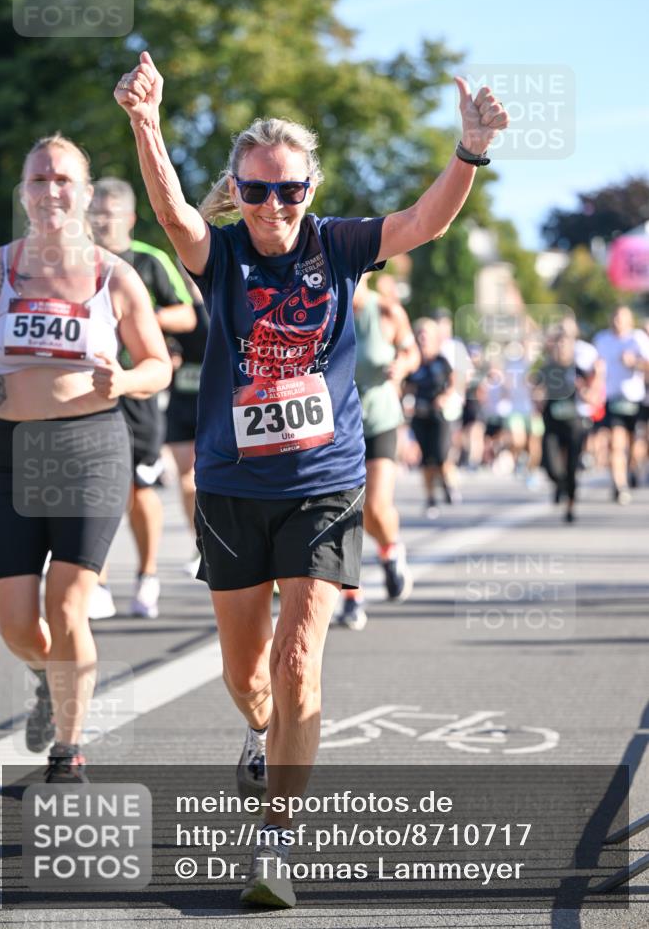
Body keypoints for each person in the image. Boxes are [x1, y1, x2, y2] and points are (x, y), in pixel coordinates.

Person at [114, 50, 507, 908]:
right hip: (228, 487)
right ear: (238, 191)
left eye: (288, 189)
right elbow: (174, 213)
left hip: (325, 484)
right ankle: (258, 734)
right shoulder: (218, 257)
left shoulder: (338, 244)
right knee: (247, 676)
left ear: (308, 191)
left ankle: (277, 845)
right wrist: (146, 122)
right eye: (255, 190)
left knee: (299, 663)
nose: (272, 205)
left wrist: (467, 153)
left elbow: (420, 224)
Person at [0, 134, 171, 782]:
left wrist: (121, 382)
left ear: (86, 194)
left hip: (88, 446)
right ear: (24, 193)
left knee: (67, 605)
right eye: (39, 180)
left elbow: (157, 365)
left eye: (64, 179)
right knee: (13, 619)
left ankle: (68, 750)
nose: (51, 191)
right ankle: (45, 678)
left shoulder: (112, 275)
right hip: (10, 450)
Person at [88, 178, 196, 618]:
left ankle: (147, 576)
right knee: (91, 489)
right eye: (94, 212)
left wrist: (142, 314)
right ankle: (95, 581)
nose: (100, 221)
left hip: (137, 388)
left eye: (109, 214)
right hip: (88, 389)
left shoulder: (150, 262)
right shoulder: (76, 261)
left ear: (129, 218)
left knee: (138, 487)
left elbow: (189, 313)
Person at [336, 272, 419, 630]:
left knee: (375, 508)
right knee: (341, 515)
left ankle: (391, 551)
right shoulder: (322, 310)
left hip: (380, 420)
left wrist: (403, 365)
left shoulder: (386, 312)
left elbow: (411, 350)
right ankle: (351, 597)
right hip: (338, 425)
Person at [164, 273, 210, 576]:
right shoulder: (174, 307)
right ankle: (201, 541)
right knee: (186, 480)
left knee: (208, 477)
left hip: (213, 402)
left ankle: (216, 536)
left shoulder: (220, 302)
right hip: (181, 401)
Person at [593, 305, 649, 504]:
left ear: (629, 320)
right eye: (615, 317)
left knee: (635, 448)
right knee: (617, 444)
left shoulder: (638, 339)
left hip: (635, 399)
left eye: (622, 318)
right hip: (613, 399)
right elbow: (595, 367)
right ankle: (620, 484)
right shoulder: (602, 339)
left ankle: (633, 468)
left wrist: (635, 362)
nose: (618, 322)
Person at [539, 329, 594, 522]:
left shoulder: (578, 370)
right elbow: (536, 392)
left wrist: (584, 391)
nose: (561, 348)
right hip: (552, 424)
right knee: (551, 466)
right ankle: (559, 484)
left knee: (571, 468)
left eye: (565, 344)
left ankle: (570, 507)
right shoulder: (546, 369)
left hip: (574, 426)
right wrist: (537, 397)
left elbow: (591, 397)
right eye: (558, 344)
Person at [405, 318, 455, 518]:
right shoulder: (413, 362)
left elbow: (453, 383)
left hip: (438, 415)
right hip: (420, 414)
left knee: (441, 456)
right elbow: (406, 387)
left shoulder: (441, 362)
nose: (423, 338)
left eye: (427, 335)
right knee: (426, 461)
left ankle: (447, 483)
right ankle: (430, 498)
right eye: (420, 334)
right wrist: (406, 401)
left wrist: (445, 397)